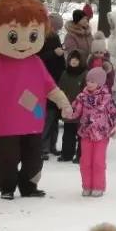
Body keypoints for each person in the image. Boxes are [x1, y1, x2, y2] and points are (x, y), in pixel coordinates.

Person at [0, 0, 72, 200]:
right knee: (7, 157)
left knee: (34, 157)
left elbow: (51, 87)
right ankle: (7, 185)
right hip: (5, 120)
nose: (23, 43)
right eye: (13, 36)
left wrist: (63, 103)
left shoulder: (35, 62)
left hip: (34, 116)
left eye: (33, 36)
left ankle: (29, 185)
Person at [64, 67, 116, 197]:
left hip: (101, 134)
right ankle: (87, 186)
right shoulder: (82, 97)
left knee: (98, 161)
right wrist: (68, 112)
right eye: (88, 81)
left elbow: (115, 113)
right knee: (85, 161)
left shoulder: (107, 98)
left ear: (100, 82)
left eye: (92, 81)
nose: (89, 83)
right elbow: (75, 112)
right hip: (86, 133)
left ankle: (98, 186)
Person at [40, 14, 67, 156]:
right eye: (56, 26)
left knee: (55, 116)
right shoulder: (41, 37)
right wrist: (54, 53)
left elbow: (60, 60)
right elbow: (38, 58)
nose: (57, 29)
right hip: (45, 81)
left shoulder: (55, 37)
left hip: (56, 80)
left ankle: (52, 145)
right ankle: (43, 146)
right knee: (47, 116)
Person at [57, 51, 87, 163]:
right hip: (68, 107)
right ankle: (67, 154)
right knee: (68, 133)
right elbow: (60, 89)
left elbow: (87, 91)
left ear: (80, 61)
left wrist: (81, 104)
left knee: (80, 133)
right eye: (72, 59)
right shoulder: (65, 73)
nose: (73, 61)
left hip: (81, 109)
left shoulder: (84, 74)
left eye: (76, 59)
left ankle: (80, 155)